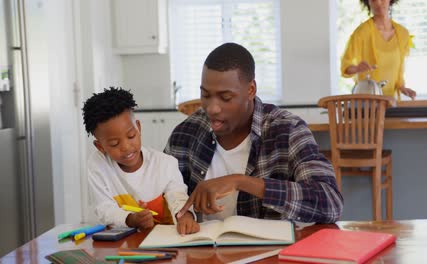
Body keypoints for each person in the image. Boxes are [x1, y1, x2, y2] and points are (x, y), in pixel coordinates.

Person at [165, 43, 343, 223]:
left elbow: (330, 202)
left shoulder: (287, 130)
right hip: (202, 249)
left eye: (226, 98)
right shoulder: (185, 134)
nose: (212, 108)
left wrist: (240, 182)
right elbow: (161, 195)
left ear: (250, 90)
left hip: (270, 250)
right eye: (205, 95)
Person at [82, 87, 199, 235]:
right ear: (100, 146)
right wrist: (130, 219)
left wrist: (185, 217)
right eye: (114, 144)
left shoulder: (165, 164)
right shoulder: (98, 165)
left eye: (131, 136)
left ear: (138, 128)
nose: (126, 147)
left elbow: (178, 197)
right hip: (125, 242)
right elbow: (104, 208)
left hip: (168, 239)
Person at [341, 0, 416, 100]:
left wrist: (402, 88)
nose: (378, 3)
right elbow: (345, 66)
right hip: (367, 104)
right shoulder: (361, 32)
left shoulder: (402, 34)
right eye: (373, 0)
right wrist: (357, 68)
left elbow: (399, 73)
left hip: (391, 103)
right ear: (368, 2)